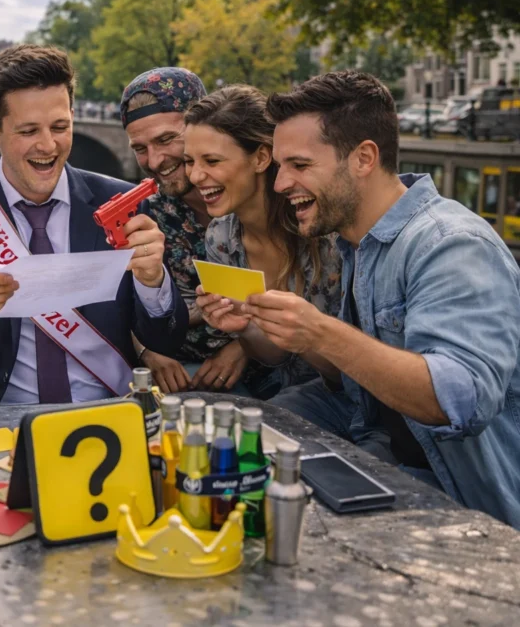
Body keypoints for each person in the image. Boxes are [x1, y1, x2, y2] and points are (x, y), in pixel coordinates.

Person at [247, 71, 520, 526]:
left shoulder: (452, 245)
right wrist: (292, 335)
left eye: (299, 165)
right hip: (385, 453)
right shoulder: (359, 243)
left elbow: (460, 401)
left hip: (462, 499)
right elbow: (361, 390)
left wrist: (323, 332)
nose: (279, 183)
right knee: (242, 438)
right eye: (280, 166)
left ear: (364, 158)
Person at [0, 45, 186, 413]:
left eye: (60, 127)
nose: (48, 145)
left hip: (108, 412)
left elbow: (166, 339)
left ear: (73, 117)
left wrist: (153, 281)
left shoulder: (120, 201)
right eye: (28, 131)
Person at [189, 86, 343, 393]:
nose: (194, 176)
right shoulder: (220, 236)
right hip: (279, 391)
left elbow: (351, 370)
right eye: (190, 161)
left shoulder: (324, 233)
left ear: (261, 158)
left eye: (211, 161)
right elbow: (274, 356)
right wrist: (246, 327)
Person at [120, 67, 260, 395]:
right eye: (139, 148)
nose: (155, 160)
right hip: (183, 372)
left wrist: (246, 346)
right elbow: (116, 305)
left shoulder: (261, 193)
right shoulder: (145, 213)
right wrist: (146, 352)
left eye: (166, 139)